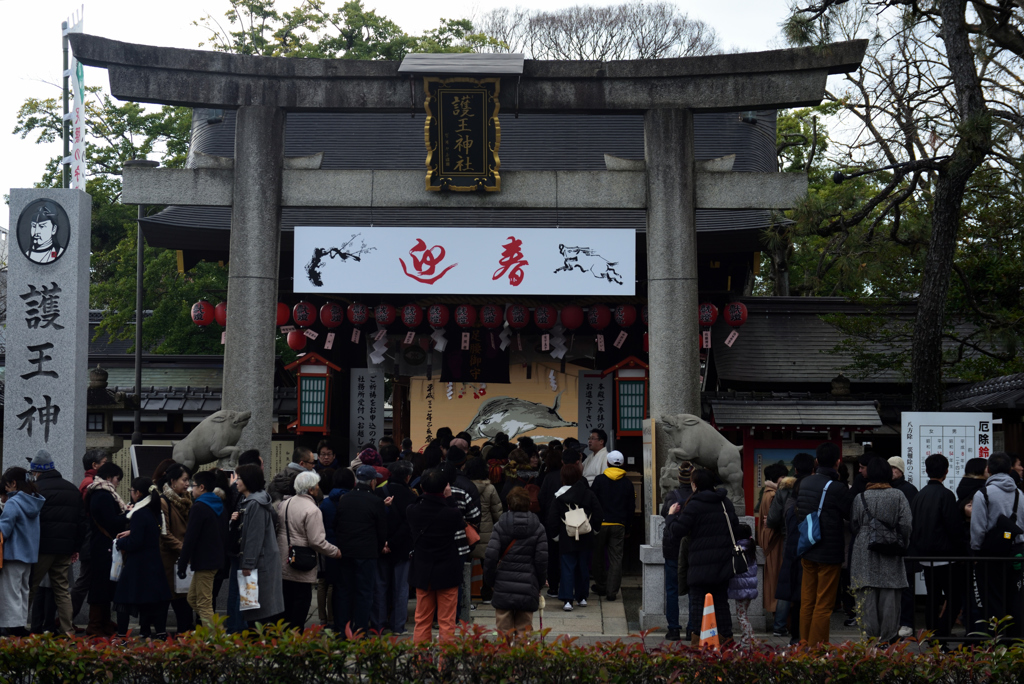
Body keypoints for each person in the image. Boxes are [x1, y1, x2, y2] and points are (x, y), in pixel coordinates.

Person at [668, 468, 742, 645]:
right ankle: (726, 641)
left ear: (695, 485)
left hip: (699, 564)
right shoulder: (725, 503)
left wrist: (671, 517)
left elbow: (678, 531)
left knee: (698, 605)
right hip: (723, 563)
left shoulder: (694, 504)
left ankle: (698, 643)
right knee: (721, 604)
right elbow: (736, 528)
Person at [850, 456, 913, 642]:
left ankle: (870, 639)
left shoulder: (860, 497)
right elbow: (907, 524)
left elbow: (854, 523)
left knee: (866, 591)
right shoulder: (898, 495)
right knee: (890, 594)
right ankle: (888, 639)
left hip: (864, 550)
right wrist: (902, 543)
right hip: (891, 549)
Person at [796, 442, 851, 646]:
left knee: (808, 600)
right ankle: (817, 648)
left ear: (816, 461)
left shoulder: (805, 483)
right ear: (838, 462)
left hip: (808, 547)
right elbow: (850, 514)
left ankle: (804, 645)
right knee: (824, 604)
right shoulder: (837, 488)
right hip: (829, 552)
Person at [25, 449, 85, 636]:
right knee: (62, 590)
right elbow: (82, 522)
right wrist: (75, 547)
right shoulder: (71, 489)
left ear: (36, 471)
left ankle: (17, 626)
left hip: (41, 549)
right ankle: (68, 630)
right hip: (64, 549)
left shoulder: (36, 490)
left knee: (30, 587)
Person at [408, 467, 470, 643]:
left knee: (422, 620)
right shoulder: (451, 513)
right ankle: (445, 666)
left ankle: (421, 663)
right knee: (447, 621)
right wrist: (449, 498)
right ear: (445, 488)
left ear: (421, 486)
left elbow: (417, 502)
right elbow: (459, 521)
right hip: (447, 570)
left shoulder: (412, 511)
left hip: (422, 570)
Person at [274, 470, 340, 631]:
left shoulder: (285, 504)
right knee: (300, 608)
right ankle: (296, 645)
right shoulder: (312, 510)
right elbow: (316, 541)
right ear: (311, 489)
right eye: (316, 485)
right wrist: (335, 551)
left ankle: (283, 644)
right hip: (302, 565)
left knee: (286, 609)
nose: (318, 488)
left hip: (283, 560)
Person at [909, 453, 964, 642]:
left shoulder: (919, 495)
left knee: (932, 598)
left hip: (924, 555)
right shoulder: (946, 495)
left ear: (926, 470)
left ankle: (932, 635)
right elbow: (954, 527)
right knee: (954, 598)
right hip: (945, 556)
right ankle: (941, 634)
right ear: (946, 471)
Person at [970, 452, 1024, 637]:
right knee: (1015, 598)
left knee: (993, 600)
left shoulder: (983, 494)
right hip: (1016, 552)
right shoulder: (1020, 493)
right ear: (1009, 470)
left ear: (988, 470)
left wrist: (975, 552)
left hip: (990, 554)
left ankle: (996, 642)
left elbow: (978, 529)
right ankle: (1016, 643)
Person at [112, 479, 172, 639]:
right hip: (154, 564)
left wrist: (120, 542)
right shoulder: (153, 511)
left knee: (123, 601)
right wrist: (131, 533)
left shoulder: (139, 513)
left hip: (138, 565)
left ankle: (121, 638)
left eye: (132, 490)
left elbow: (135, 543)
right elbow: (148, 533)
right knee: (153, 602)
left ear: (137, 493)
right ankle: (161, 635)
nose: (131, 493)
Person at [483, 486, 548, 634]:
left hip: (503, 584)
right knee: (524, 633)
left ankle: (504, 657)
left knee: (504, 633)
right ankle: (523, 658)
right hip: (528, 584)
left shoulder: (499, 526)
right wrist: (539, 583)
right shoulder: (538, 528)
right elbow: (542, 560)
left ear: (509, 505)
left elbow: (490, 557)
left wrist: (491, 581)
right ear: (529, 504)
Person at [334, 465, 387, 635]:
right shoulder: (376, 501)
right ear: (372, 482)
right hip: (367, 553)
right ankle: (361, 631)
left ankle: (343, 629)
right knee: (364, 593)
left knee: (344, 591)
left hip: (346, 552)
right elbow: (381, 531)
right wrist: (378, 550)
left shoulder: (345, 499)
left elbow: (337, 525)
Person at [547, 462, 604, 612]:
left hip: (567, 535)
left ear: (563, 478)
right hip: (585, 534)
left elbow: (552, 519)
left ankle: (567, 599)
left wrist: (555, 536)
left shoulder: (558, 496)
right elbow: (598, 513)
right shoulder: (588, 493)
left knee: (567, 567)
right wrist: (595, 530)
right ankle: (582, 597)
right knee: (583, 566)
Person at [234, 464, 284, 627]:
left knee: (258, 614)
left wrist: (247, 564)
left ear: (248, 480)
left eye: (239, 478)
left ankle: (260, 649)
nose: (236, 481)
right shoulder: (252, 501)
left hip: (257, 565)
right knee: (254, 611)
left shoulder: (255, 504)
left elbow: (254, 538)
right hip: (258, 563)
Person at [0, 467, 46, 636]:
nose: (6, 489)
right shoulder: (34, 501)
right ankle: (20, 624)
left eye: (7, 485)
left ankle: (13, 627)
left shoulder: (13, 502)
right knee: (23, 591)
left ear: (13, 483)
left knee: (10, 592)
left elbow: (4, 529)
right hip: (29, 555)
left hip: (12, 555)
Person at [177, 470, 226, 627]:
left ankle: (216, 641)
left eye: (194, 485)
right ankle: (212, 631)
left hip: (205, 562)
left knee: (204, 604)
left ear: (202, 487)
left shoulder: (199, 507)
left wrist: (182, 564)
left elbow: (190, 538)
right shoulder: (220, 505)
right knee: (192, 599)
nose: (191, 489)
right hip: (214, 560)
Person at [774, 453, 814, 642]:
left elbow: (773, 518)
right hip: (812, 544)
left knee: (788, 584)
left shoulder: (784, 490)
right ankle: (804, 634)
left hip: (788, 541)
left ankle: (781, 625)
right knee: (807, 588)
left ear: (795, 469)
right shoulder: (817, 488)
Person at [374, 460, 416, 634]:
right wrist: (392, 543)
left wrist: (383, 543)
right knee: (400, 589)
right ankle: (398, 626)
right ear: (408, 476)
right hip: (402, 549)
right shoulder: (412, 496)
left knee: (380, 587)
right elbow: (408, 525)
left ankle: (378, 625)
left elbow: (374, 520)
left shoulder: (377, 493)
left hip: (379, 547)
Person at [71, 450, 111, 627]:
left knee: (90, 580)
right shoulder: (91, 484)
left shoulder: (91, 482)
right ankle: (66, 619)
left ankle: (99, 621)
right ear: (94, 466)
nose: (107, 464)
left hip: (90, 539)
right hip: (91, 539)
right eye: (104, 462)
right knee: (84, 581)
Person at [590, 450, 635, 602]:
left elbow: (592, 502)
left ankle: (601, 585)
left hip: (600, 524)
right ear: (622, 464)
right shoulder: (627, 483)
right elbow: (631, 508)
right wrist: (627, 528)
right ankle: (611, 591)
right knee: (616, 559)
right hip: (619, 525)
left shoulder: (599, 480)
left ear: (607, 463)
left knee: (597, 556)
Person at [156, 462, 195, 634]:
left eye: (188, 480)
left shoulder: (188, 501)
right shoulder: (163, 501)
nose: (187, 484)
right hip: (168, 558)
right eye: (184, 480)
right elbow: (165, 534)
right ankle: (161, 634)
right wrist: (183, 549)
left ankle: (184, 633)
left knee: (183, 598)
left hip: (183, 558)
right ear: (173, 481)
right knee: (166, 597)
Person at [540, 446, 582, 599]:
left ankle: (553, 587)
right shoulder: (580, 479)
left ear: (563, 461)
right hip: (575, 523)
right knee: (572, 556)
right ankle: (573, 589)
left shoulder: (550, 477)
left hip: (552, 521)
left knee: (552, 555)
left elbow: (541, 498)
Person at [660, 462, 694, 641]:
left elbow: (664, 514)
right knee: (693, 589)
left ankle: (673, 629)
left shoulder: (672, 496)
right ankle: (692, 629)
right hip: (692, 549)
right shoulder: (698, 497)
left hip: (673, 548)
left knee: (672, 589)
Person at [318, 468, 354, 628]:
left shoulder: (325, 503)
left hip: (329, 547)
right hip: (349, 547)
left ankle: (328, 620)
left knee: (328, 582)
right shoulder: (353, 500)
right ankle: (341, 620)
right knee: (344, 586)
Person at [467, 457, 503, 605]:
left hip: (469, 531)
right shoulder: (490, 488)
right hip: (487, 532)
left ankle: (467, 595)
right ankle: (487, 593)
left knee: (466, 563)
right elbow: (497, 512)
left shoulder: (465, 486)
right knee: (487, 564)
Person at [758, 462, 788, 628]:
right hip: (776, 542)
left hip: (770, 541)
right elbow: (773, 520)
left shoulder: (767, 493)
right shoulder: (773, 495)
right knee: (778, 579)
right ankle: (779, 622)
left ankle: (779, 620)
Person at [727, 523, 758, 647]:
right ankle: (749, 639)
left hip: (741, 588)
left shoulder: (739, 549)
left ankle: (749, 639)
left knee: (741, 616)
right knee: (743, 614)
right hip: (749, 588)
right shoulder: (750, 547)